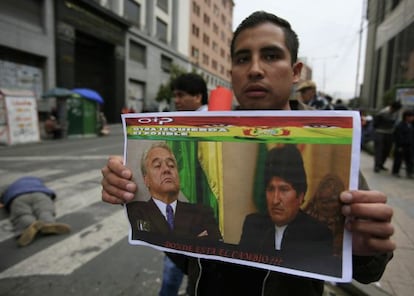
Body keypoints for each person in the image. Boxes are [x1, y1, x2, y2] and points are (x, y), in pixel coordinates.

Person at [101, 11, 395, 295]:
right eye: (243, 59)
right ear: (232, 73)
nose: (255, 68)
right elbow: (190, 260)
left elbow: (369, 272)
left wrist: (365, 249)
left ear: (295, 72)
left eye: (270, 55)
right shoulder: (206, 138)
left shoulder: (334, 138)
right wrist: (134, 194)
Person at [126, 142, 222, 295]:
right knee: (170, 277)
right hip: (189, 274)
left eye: (171, 165)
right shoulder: (138, 209)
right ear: (146, 180)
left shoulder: (202, 212)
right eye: (157, 166)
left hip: (206, 280)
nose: (166, 170)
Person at [239, 145, 336, 275]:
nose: (275, 200)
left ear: (300, 195)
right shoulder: (253, 224)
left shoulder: (318, 234)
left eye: (284, 190)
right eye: (271, 189)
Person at [160, 72, 209, 296]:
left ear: (198, 96)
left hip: (192, 211)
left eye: (181, 95)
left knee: (174, 270)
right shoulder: (183, 122)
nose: (176, 101)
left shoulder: (207, 122)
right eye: (175, 96)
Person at [0, 176, 71, 247]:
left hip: (18, 197)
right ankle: (48, 222)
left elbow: (1, 192)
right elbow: (48, 191)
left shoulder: (11, 186)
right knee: (45, 210)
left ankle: (28, 225)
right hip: (39, 194)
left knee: (22, 214)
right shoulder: (37, 182)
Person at [373, 101, 402, 172]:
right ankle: (377, 165)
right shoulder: (383, 112)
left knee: (387, 149)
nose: (394, 111)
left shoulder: (396, 113)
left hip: (390, 133)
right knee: (379, 150)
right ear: (391, 107)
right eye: (394, 109)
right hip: (380, 132)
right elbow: (375, 123)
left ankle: (381, 164)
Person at [392, 109, 414, 178]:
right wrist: (399, 145)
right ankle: (395, 171)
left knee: (409, 160)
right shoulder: (400, 126)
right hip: (401, 145)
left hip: (410, 145)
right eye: (411, 117)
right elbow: (398, 136)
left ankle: (409, 172)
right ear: (407, 117)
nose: (412, 118)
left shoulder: (411, 125)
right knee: (398, 159)